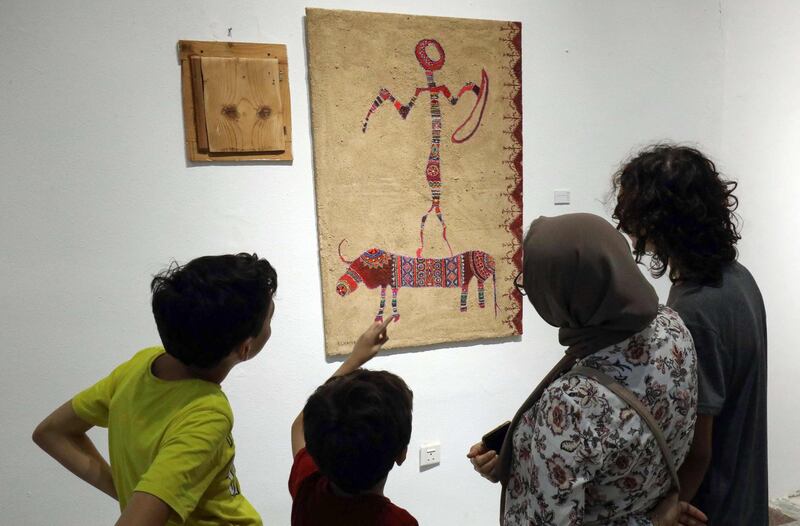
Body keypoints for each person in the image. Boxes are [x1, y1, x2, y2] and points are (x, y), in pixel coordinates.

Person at [467, 213, 701, 525]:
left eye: (532, 284)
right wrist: (521, 447)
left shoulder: (570, 404)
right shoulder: (672, 328)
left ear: (561, 293)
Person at [32, 253, 276, 525]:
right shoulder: (207, 412)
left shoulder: (142, 366)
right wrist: (138, 502)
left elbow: (52, 432)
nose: (270, 325)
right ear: (245, 348)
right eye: (270, 319)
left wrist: (134, 497)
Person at [613, 145, 768, 525]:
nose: (627, 227)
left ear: (656, 218)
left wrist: (665, 511)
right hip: (744, 498)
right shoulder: (737, 277)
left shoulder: (696, 309)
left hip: (710, 508)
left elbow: (698, 445)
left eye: (632, 213)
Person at [289, 318, 418, 526]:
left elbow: (299, 427)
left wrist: (353, 360)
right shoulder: (400, 522)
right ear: (401, 454)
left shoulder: (308, 490)